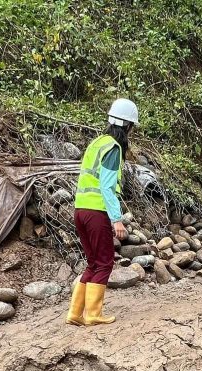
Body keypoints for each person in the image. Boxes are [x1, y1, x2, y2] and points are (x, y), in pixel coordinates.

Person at [66, 98, 139, 326]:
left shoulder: (98, 142)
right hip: (96, 211)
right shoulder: (114, 148)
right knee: (105, 262)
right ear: (127, 125)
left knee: (93, 263)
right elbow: (107, 186)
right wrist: (116, 219)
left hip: (80, 210)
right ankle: (94, 315)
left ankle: (75, 314)